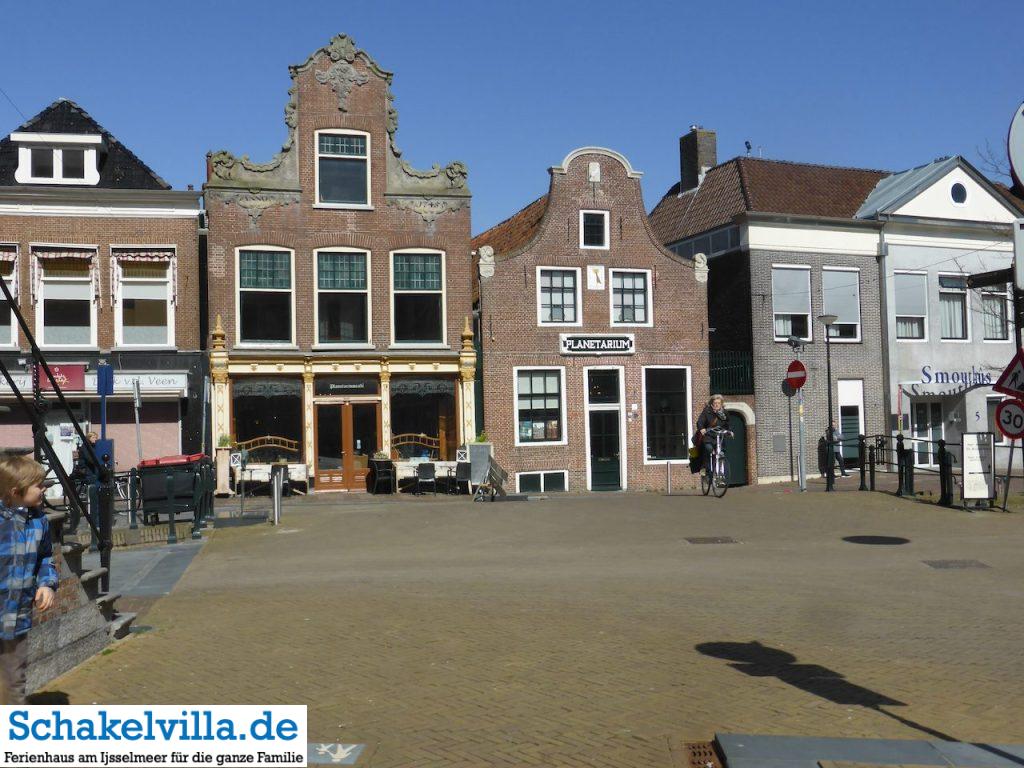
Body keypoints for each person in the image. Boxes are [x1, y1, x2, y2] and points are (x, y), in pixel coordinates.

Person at [0, 454, 58, 704]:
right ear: (15, 491)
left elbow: (45, 556)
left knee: (14, 680)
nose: (43, 489)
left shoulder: (39, 521)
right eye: (38, 485)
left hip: (17, 618)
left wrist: (46, 583)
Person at [696, 394, 729, 476]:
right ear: (712, 404)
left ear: (721, 404)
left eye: (719, 403)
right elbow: (700, 421)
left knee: (722, 452)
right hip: (709, 436)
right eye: (715, 403)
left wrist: (730, 431)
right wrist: (702, 428)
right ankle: (705, 468)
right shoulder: (707, 411)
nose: (717, 404)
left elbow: (728, 424)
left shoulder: (724, 413)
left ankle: (720, 473)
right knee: (708, 449)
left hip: (719, 436)